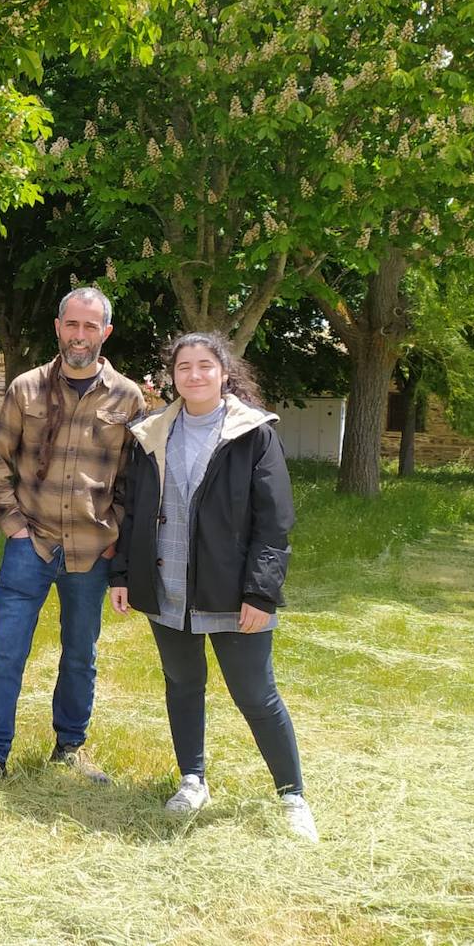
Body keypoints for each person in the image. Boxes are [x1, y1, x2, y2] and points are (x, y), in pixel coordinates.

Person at [108, 331, 317, 842]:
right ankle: (192, 779)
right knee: (182, 686)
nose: (195, 375)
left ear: (225, 372)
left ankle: (292, 796)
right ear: (172, 375)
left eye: (205, 365)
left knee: (255, 694)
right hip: (168, 588)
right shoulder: (151, 433)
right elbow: (132, 512)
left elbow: (275, 523)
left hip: (232, 592)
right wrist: (122, 576)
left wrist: (261, 594)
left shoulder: (254, 433)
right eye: (184, 367)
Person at [0, 287, 145, 791]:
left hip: (92, 548)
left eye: (91, 327)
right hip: (31, 542)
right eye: (72, 325)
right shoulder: (26, 388)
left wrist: (117, 532)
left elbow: (135, 478)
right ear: (58, 327)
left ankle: (70, 746)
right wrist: (13, 524)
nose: (79, 335)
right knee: (5, 651)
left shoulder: (128, 397)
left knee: (80, 654)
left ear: (104, 333)